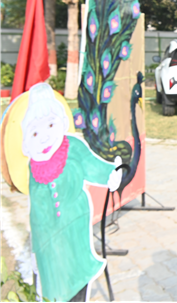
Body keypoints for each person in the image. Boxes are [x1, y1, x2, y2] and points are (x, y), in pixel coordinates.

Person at [22, 83, 122, 302]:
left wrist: (111, 174)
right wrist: (35, 249)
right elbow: (35, 211)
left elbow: (94, 167)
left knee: (76, 281)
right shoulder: (34, 166)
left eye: (50, 125)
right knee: (52, 289)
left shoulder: (72, 147)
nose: (44, 137)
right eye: (36, 132)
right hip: (47, 242)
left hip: (75, 232)